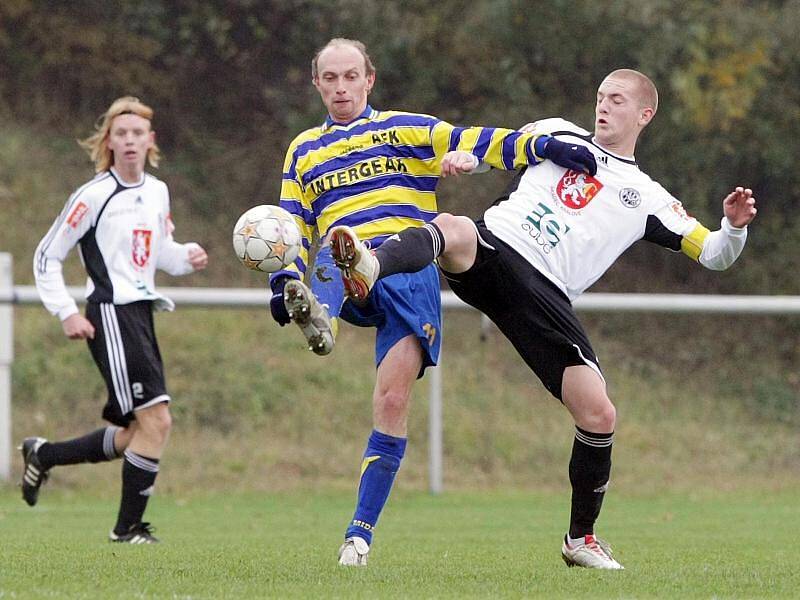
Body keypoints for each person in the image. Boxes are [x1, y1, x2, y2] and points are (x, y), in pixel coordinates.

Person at [328, 68, 758, 570]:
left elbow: (714, 254)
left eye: (616, 100)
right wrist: (465, 161)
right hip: (498, 248)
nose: (603, 106)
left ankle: (580, 539)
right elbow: (506, 149)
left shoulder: (649, 198)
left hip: (545, 295)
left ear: (645, 114)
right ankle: (371, 263)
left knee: (598, 414)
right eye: (599, 96)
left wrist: (732, 226)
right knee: (453, 228)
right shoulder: (557, 130)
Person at [268, 37, 596, 566]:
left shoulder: (403, 128)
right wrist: (281, 278)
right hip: (340, 263)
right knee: (334, 241)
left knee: (392, 401)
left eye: (351, 76)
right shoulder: (303, 149)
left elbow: (477, 140)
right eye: (330, 78)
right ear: (317, 84)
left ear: (369, 79)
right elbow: (288, 225)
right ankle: (319, 312)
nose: (341, 87)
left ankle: (358, 537)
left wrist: (545, 148)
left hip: (407, 270)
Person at [23, 96, 208, 544]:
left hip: (141, 314)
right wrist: (66, 311)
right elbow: (47, 256)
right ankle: (127, 529)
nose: (129, 141)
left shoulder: (157, 191)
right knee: (157, 422)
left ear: (150, 141)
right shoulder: (93, 196)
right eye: (120, 134)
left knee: (136, 432)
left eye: (136, 133)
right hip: (109, 314)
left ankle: (43, 454)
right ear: (108, 142)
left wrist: (186, 256)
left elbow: (157, 251)